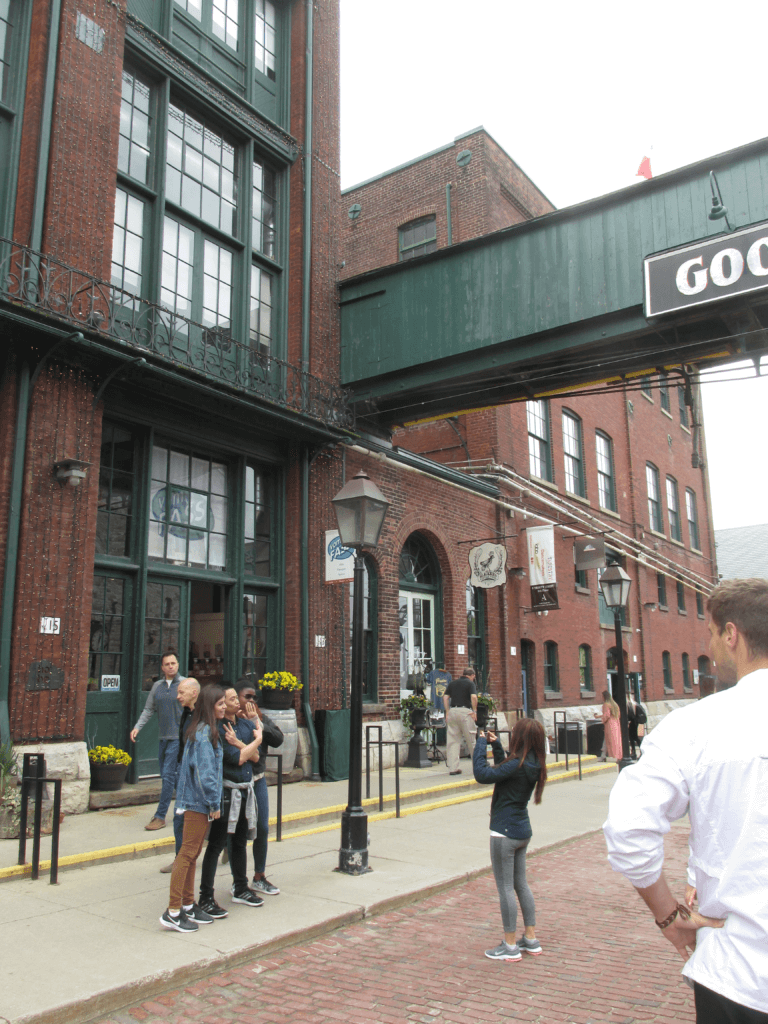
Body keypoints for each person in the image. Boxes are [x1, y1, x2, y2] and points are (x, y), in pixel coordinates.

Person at [604, 578, 768, 1022]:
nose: (712, 644)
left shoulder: (695, 725)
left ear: (732, 635)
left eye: (713, 633)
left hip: (740, 973)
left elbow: (628, 829)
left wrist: (666, 916)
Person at [473, 718, 547, 961]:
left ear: (521, 738)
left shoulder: (517, 764)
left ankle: (510, 944)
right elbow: (503, 772)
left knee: (505, 888)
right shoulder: (533, 763)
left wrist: (479, 744)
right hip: (522, 831)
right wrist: (496, 747)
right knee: (521, 885)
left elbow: (483, 775)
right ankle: (531, 938)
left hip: (503, 832)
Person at [160, 684, 226, 933]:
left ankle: (187, 904)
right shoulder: (203, 734)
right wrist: (213, 803)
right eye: (220, 704)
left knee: (192, 853)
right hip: (197, 802)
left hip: (195, 800)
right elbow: (205, 774)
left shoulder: (203, 730)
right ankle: (173, 911)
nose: (224, 707)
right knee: (187, 854)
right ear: (210, 705)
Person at [198, 686, 263, 917]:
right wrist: (255, 742)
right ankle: (205, 895)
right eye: (230, 699)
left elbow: (255, 758)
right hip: (226, 794)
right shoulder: (216, 730)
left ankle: (240, 887)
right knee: (216, 845)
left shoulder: (245, 726)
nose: (235, 702)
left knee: (240, 842)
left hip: (246, 791)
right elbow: (237, 759)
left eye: (236, 698)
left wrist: (243, 744)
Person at [235, 678, 283, 896]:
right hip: (237, 783)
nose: (252, 701)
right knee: (237, 833)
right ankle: (239, 881)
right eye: (247, 697)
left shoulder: (260, 718)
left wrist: (259, 723)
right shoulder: (230, 720)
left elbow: (278, 738)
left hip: (258, 779)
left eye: (254, 697)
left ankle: (259, 875)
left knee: (262, 828)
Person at [130, 651, 184, 831]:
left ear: (178, 665)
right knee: (170, 777)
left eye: (173, 663)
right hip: (163, 738)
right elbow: (148, 709)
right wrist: (137, 727)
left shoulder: (185, 685)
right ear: (162, 668)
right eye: (167, 664)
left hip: (178, 738)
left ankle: (160, 816)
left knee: (168, 776)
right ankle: (193, 806)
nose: (171, 666)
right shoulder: (157, 687)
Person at [159, 676, 201, 873]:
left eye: (181, 693)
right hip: (185, 776)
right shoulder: (186, 713)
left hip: (199, 778)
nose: (177, 697)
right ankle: (179, 860)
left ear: (194, 693)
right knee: (179, 820)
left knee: (212, 823)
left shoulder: (204, 717)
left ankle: (224, 845)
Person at [443, 667, 478, 774]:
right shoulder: (470, 684)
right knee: (471, 741)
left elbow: (445, 697)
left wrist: (447, 711)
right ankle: (478, 767)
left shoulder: (453, 683)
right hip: (465, 712)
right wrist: (475, 711)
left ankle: (453, 768)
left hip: (453, 711)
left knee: (452, 741)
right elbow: (474, 697)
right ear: (472, 676)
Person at [600, 688, 622, 761]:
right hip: (616, 723)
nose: (601, 698)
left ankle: (613, 756)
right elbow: (617, 714)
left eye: (602, 696)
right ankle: (616, 756)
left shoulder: (606, 704)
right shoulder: (614, 704)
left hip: (610, 724)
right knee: (616, 740)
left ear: (604, 697)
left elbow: (606, 715)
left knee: (610, 741)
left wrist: (602, 720)